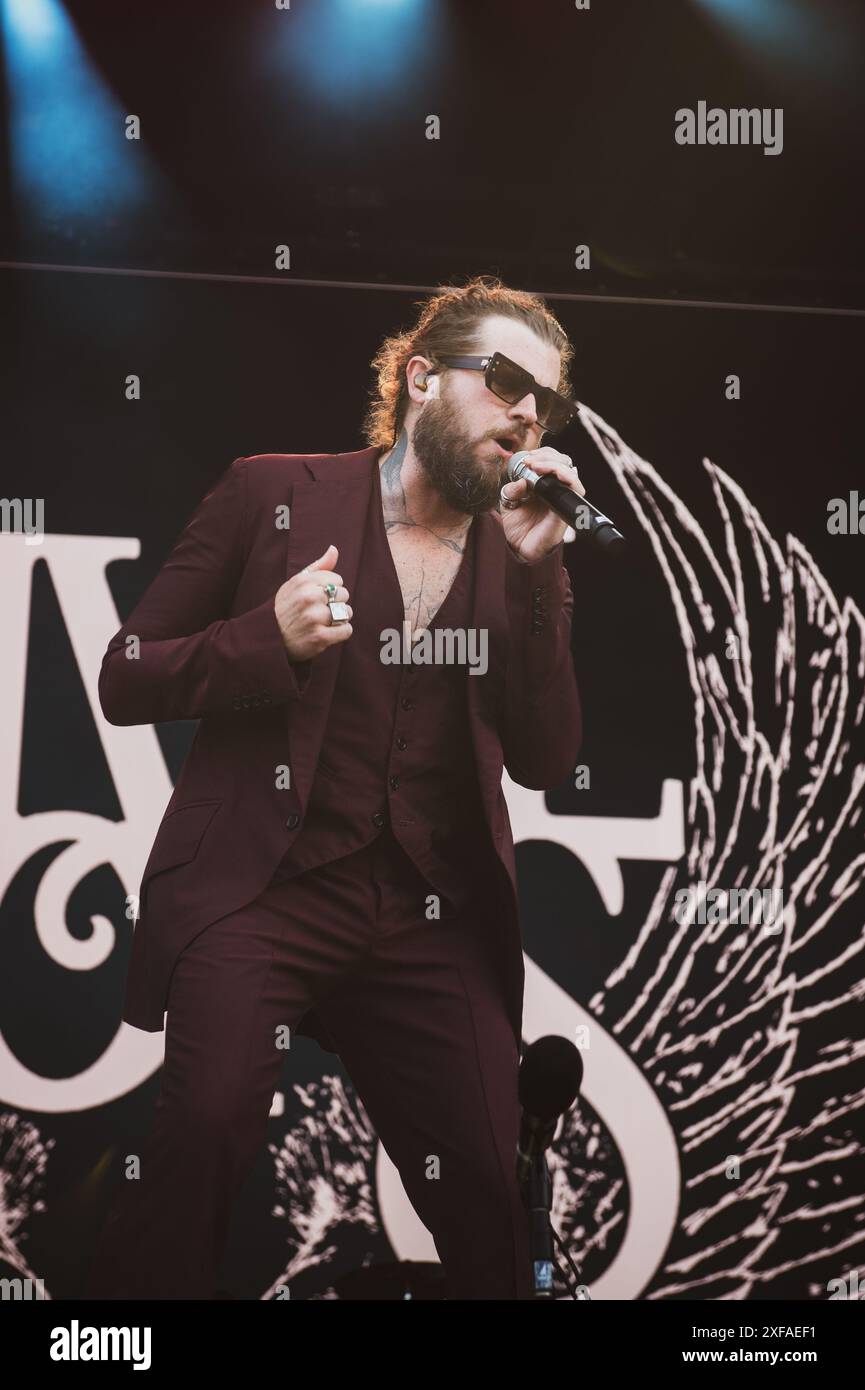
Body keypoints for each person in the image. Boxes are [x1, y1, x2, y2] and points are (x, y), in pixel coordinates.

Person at [85, 275, 583, 1300]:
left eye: (547, 400)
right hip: (264, 891)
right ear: (419, 378)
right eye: (504, 379)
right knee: (209, 1129)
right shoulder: (271, 489)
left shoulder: (519, 552)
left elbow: (544, 758)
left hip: (426, 914)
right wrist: (261, 640)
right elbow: (125, 672)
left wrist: (542, 582)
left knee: (493, 1185)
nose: (529, 411)